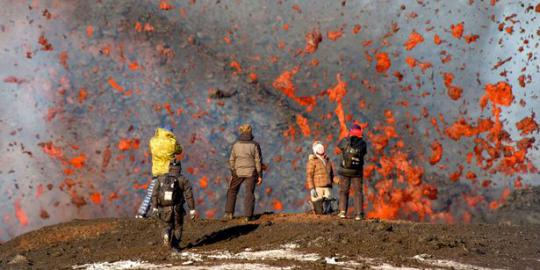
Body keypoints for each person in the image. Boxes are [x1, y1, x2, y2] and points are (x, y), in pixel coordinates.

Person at [136, 125, 182, 218]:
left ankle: (141, 213)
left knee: (151, 193)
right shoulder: (172, 142)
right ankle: (169, 215)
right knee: (169, 193)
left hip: (157, 173)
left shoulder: (153, 141)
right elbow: (179, 150)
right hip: (169, 173)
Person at [151, 161, 197, 251]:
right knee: (178, 227)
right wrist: (192, 209)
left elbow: (154, 194)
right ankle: (175, 246)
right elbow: (189, 196)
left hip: (164, 208)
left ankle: (166, 234)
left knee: (166, 225)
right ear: (180, 168)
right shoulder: (183, 179)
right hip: (177, 208)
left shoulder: (161, 178)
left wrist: (155, 207)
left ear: (169, 168)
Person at [224, 124, 263, 222]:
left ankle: (228, 213)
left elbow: (231, 160)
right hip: (251, 172)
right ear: (250, 132)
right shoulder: (255, 145)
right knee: (249, 193)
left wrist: (233, 172)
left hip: (238, 172)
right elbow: (258, 161)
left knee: (232, 191)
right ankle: (248, 216)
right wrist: (260, 175)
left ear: (241, 132)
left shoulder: (236, 145)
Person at [337, 123, 367, 220]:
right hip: (357, 172)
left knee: (344, 191)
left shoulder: (345, 141)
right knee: (358, 192)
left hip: (345, 170)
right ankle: (359, 214)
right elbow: (363, 153)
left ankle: (342, 212)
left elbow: (339, 146)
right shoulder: (363, 143)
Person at [306, 141, 339, 215]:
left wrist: (339, 181)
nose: (321, 148)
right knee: (319, 211)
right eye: (318, 147)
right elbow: (309, 176)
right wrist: (312, 188)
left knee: (328, 210)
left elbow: (332, 176)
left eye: (321, 146)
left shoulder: (327, 161)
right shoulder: (312, 161)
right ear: (315, 150)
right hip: (318, 188)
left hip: (328, 188)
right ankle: (314, 210)